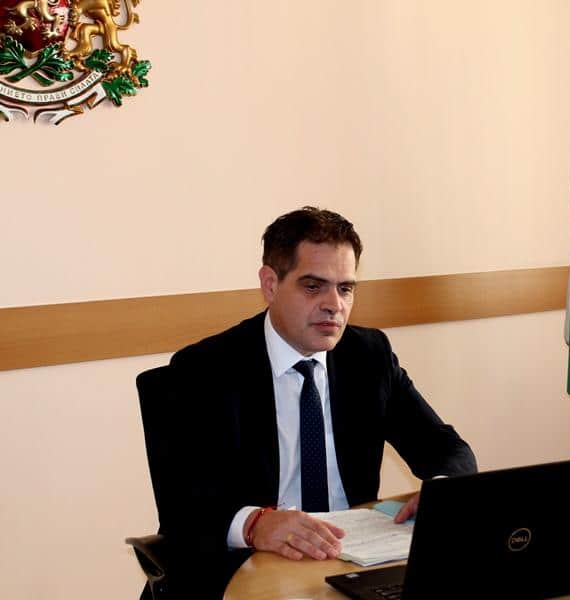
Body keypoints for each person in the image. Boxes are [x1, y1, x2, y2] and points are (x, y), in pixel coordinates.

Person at [159, 207, 477, 597]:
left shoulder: (369, 356)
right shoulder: (206, 369)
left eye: (345, 289)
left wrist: (441, 492)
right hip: (249, 572)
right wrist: (255, 524)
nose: (334, 304)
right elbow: (182, 509)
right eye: (314, 286)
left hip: (353, 564)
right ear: (270, 284)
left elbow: (447, 448)